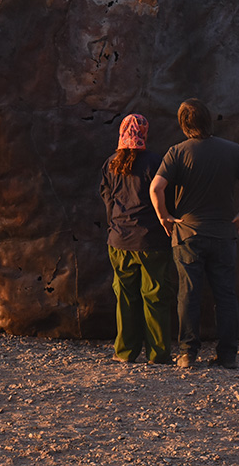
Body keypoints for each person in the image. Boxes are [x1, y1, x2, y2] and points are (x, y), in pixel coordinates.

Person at [150, 99, 239, 370]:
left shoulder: (177, 152)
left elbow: (156, 188)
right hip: (224, 235)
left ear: (183, 124)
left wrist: (164, 217)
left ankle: (187, 354)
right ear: (209, 120)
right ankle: (227, 356)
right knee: (225, 295)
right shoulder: (233, 150)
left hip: (187, 234)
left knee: (188, 294)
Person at [99, 113, 175, 365]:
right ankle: (159, 353)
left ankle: (125, 352)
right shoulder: (156, 162)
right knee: (155, 296)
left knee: (125, 297)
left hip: (119, 241)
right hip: (152, 241)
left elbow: (107, 200)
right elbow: (168, 197)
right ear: (144, 133)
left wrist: (115, 225)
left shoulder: (110, 163)